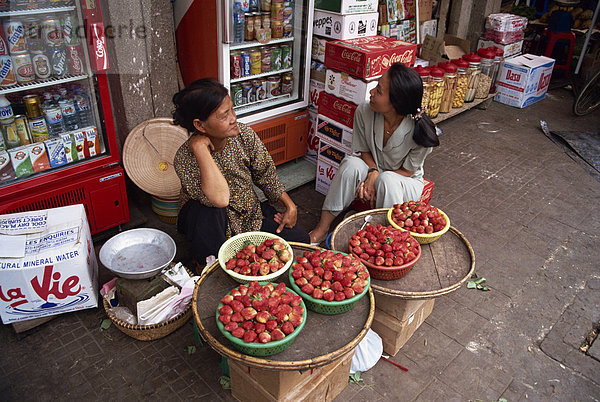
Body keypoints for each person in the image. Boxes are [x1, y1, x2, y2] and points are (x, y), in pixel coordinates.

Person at [172, 78, 309, 266]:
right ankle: (206, 262)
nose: (233, 118)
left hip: (248, 215)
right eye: (224, 115)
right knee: (211, 213)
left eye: (232, 110)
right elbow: (220, 200)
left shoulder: (244, 135)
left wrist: (290, 206)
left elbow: (265, 173)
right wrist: (201, 149)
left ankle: (240, 248)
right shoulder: (185, 158)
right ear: (200, 125)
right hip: (210, 223)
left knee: (300, 241)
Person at [309, 62, 440, 244]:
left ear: (396, 103)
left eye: (378, 90)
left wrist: (376, 181)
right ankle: (322, 229)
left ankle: (386, 241)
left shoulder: (421, 132)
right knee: (351, 165)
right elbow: (364, 150)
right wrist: (372, 172)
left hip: (403, 181)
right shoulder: (364, 110)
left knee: (388, 181)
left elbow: (407, 172)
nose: (371, 92)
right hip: (374, 168)